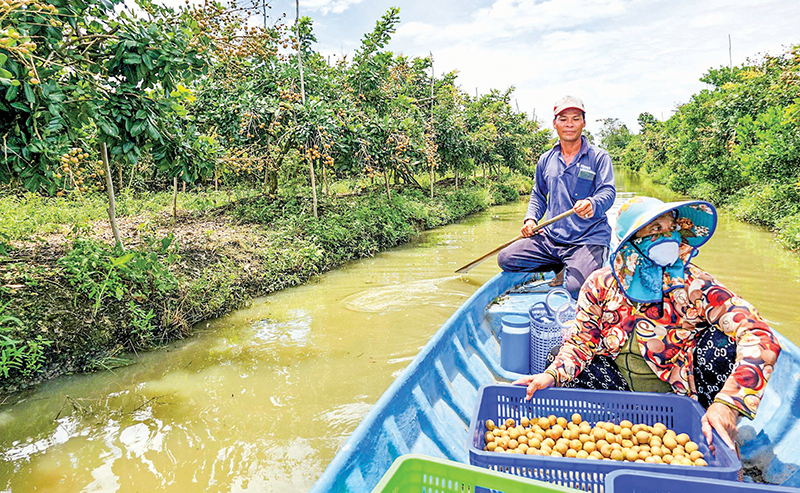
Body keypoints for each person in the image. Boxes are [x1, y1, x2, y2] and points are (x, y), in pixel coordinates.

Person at [513, 196, 781, 452]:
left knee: (722, 345)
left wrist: (728, 403)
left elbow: (759, 334)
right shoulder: (600, 283)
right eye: (655, 228)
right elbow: (581, 342)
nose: (668, 236)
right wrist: (551, 374)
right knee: (558, 364)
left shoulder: (694, 283)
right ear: (631, 241)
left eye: (671, 228)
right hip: (618, 391)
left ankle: (716, 423)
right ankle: (609, 431)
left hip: (681, 394)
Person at [497, 95, 616, 299]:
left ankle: (583, 262)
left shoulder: (599, 157)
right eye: (563, 119)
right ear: (555, 124)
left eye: (575, 118)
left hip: (588, 237)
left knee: (577, 289)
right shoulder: (546, 159)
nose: (569, 124)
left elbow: (608, 192)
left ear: (584, 123)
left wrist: (592, 203)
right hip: (552, 237)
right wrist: (531, 219)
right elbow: (538, 194)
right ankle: (558, 264)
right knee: (506, 258)